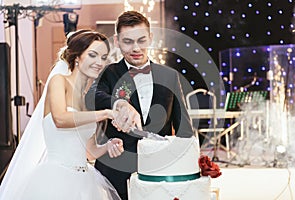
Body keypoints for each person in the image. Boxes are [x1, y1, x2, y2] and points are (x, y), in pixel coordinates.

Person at [0, 30, 125, 200]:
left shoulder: (87, 99)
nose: (99, 62)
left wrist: (107, 146)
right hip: (56, 180)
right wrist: (106, 113)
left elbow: (89, 152)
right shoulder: (59, 81)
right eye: (93, 55)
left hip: (85, 181)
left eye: (103, 57)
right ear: (77, 58)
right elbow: (60, 119)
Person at [85, 10, 194, 199]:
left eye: (141, 40)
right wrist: (119, 104)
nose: (136, 48)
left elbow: (184, 128)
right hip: (115, 171)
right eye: (128, 41)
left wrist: (189, 167)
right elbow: (91, 96)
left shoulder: (170, 76)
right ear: (117, 41)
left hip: (158, 172)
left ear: (150, 38)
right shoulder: (108, 72)